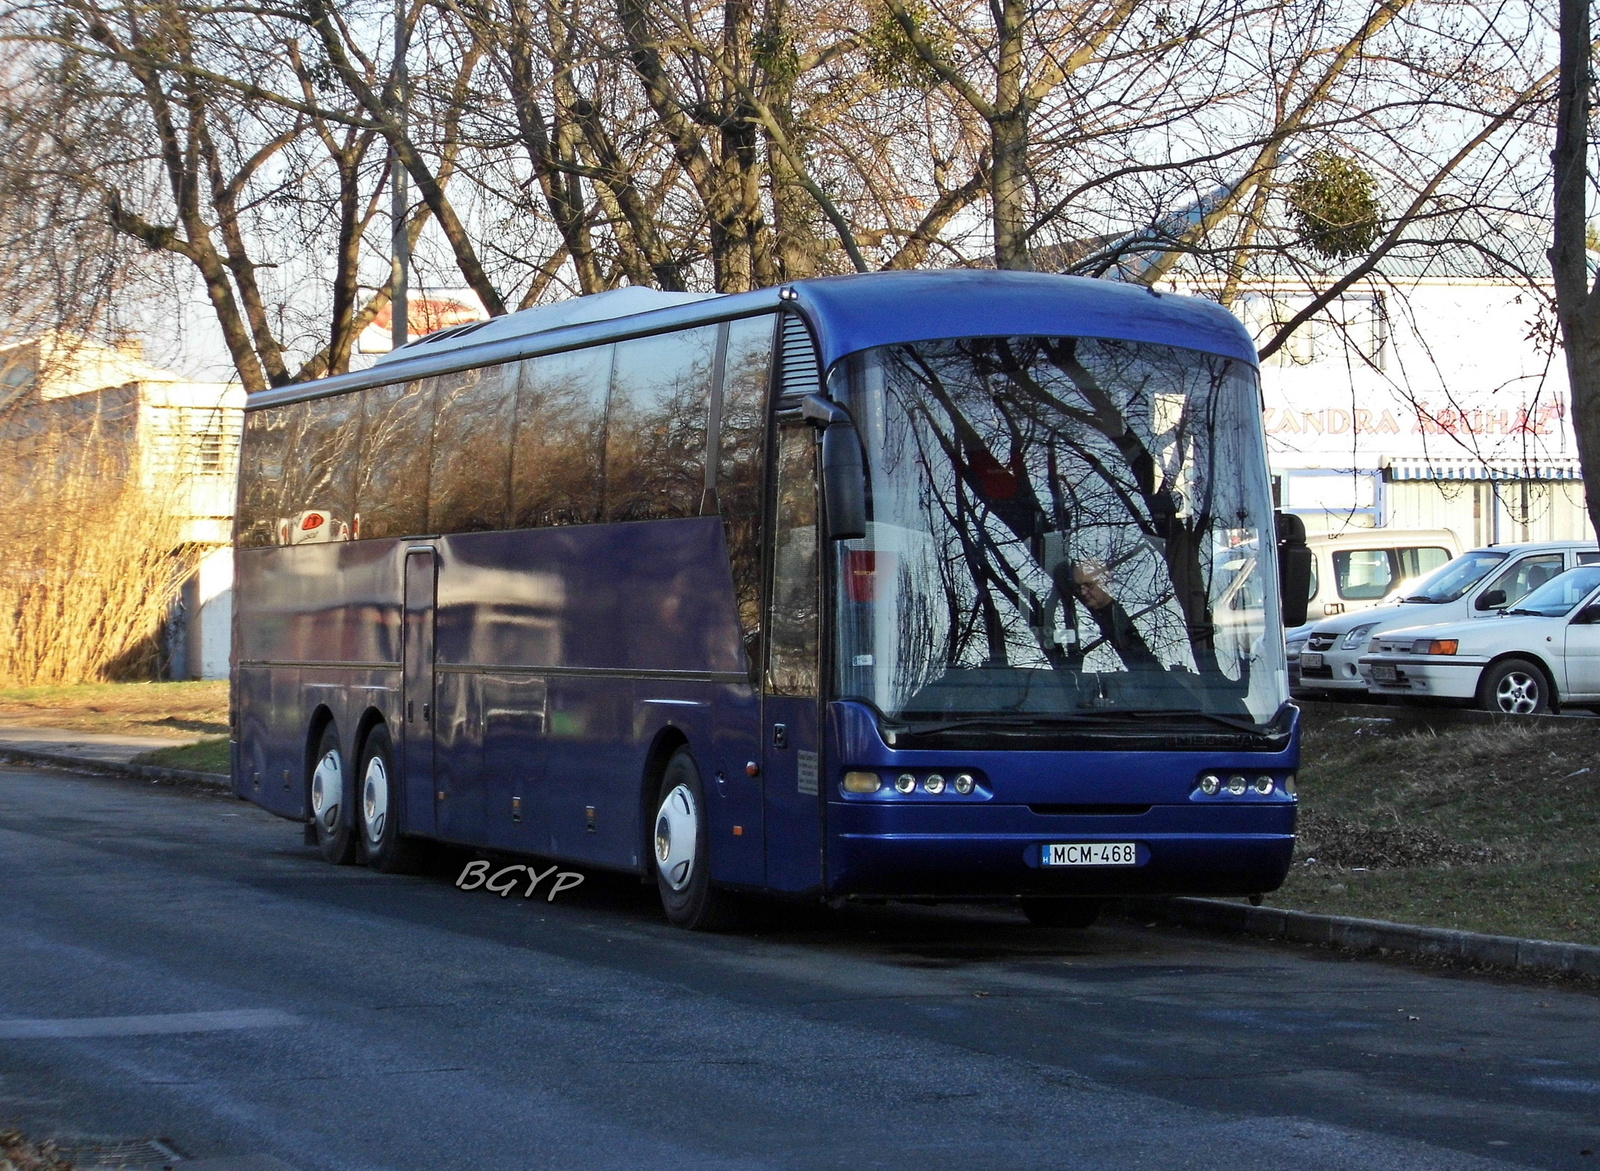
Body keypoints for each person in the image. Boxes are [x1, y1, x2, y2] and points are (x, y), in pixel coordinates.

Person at [1057, 559, 1159, 669]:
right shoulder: (1084, 617)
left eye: (1088, 585)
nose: (1083, 592)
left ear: (1105, 582)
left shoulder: (1133, 617)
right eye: (1078, 588)